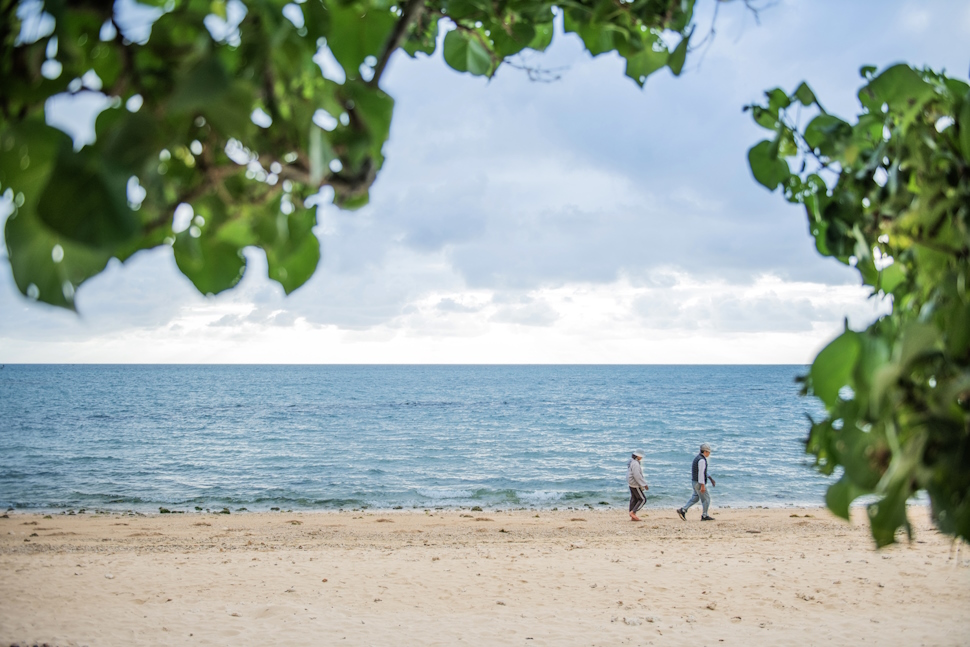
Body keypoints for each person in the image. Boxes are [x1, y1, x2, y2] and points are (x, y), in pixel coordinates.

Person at [676, 443, 716, 521]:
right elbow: (701, 473)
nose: (709, 454)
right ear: (705, 451)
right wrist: (703, 486)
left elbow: (702, 472)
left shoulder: (697, 458)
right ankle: (705, 515)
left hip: (694, 482)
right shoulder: (702, 460)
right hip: (699, 483)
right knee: (706, 499)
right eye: (708, 452)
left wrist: (710, 478)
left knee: (695, 498)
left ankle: (683, 510)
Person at [627, 451, 649, 521]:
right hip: (635, 484)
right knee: (642, 499)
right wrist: (644, 484)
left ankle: (633, 516)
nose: (642, 457)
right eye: (641, 456)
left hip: (631, 483)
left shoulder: (632, 462)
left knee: (634, 499)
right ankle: (633, 512)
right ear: (637, 456)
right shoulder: (635, 464)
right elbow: (637, 475)